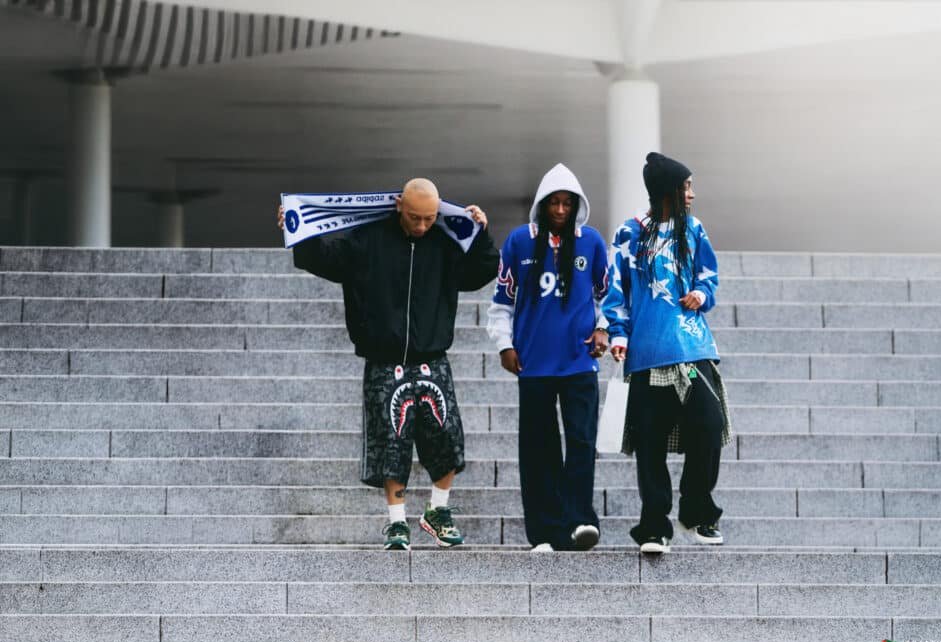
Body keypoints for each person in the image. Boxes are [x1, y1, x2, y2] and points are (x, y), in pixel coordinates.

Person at [277, 178, 498, 550]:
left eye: (429, 218)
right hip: (384, 358)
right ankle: (397, 522)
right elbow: (324, 258)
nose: (422, 225)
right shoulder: (369, 239)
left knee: (446, 435)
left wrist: (481, 235)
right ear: (399, 206)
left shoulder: (444, 242)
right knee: (390, 441)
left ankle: (438, 510)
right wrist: (298, 230)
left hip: (431, 357)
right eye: (414, 217)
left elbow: (482, 271)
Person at [603, 152, 733, 554]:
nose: (691, 194)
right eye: (685, 187)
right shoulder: (629, 233)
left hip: (692, 351)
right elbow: (615, 291)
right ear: (666, 191)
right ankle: (654, 526)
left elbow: (708, 276)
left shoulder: (694, 229)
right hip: (647, 354)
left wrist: (702, 294)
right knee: (650, 441)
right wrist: (618, 334)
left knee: (709, 424)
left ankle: (696, 511)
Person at [487, 163, 609, 552]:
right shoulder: (519, 241)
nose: (559, 210)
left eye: (567, 203)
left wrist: (604, 328)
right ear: (541, 204)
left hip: (579, 361)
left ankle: (579, 521)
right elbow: (502, 302)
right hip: (534, 363)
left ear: (576, 206)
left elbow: (608, 296)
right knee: (538, 447)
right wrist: (504, 344)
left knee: (582, 441)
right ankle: (544, 531)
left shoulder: (591, 242)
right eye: (553, 202)